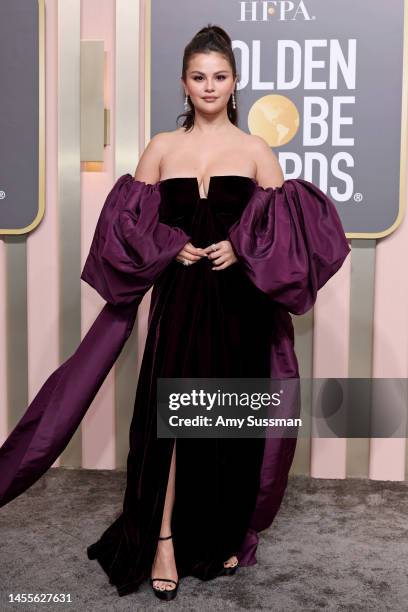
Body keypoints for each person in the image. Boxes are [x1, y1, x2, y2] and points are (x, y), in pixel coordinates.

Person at [0, 24, 350, 602]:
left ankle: (221, 532)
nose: (209, 87)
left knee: (228, 425)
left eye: (219, 76)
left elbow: (285, 238)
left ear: (235, 83)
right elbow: (124, 232)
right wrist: (170, 245)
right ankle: (162, 538)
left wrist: (240, 247)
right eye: (198, 77)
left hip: (239, 307)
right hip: (181, 303)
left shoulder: (257, 151)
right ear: (183, 84)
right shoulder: (162, 147)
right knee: (176, 424)